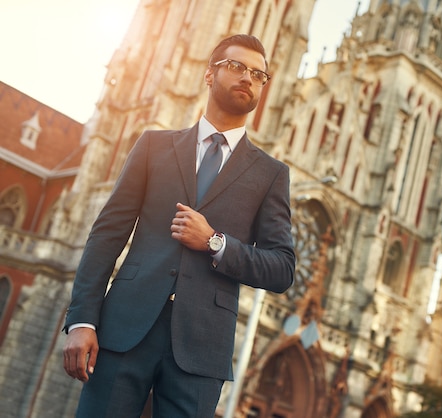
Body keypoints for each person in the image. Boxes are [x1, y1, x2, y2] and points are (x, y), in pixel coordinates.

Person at [63, 34, 295, 418]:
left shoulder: (271, 174)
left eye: (258, 74)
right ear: (209, 75)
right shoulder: (154, 146)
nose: (248, 79)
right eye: (236, 67)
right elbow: (106, 235)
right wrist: (82, 320)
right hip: (122, 333)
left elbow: (282, 268)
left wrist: (216, 242)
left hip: (201, 351)